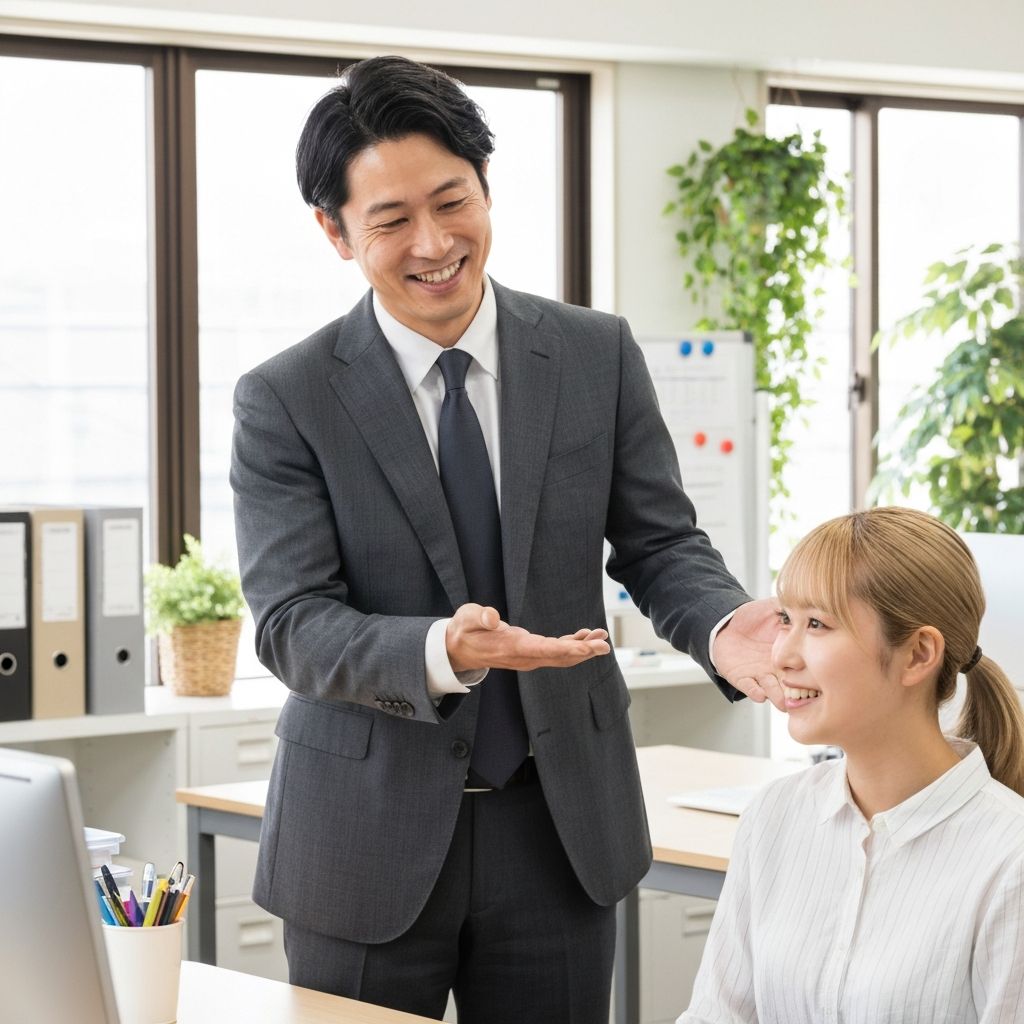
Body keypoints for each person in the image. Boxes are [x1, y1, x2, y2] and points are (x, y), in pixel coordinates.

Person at [230, 55, 782, 1024]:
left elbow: (660, 544)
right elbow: (291, 622)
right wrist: (442, 649)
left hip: (558, 829)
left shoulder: (593, 353)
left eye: (453, 202)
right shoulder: (286, 397)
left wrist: (724, 625)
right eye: (392, 220)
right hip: (362, 840)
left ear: (486, 186)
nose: (435, 243)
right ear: (335, 232)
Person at [679, 506, 1024, 1024]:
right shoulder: (773, 816)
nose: (782, 655)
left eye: (817, 624)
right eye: (786, 620)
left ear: (918, 654)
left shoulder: (1010, 860)